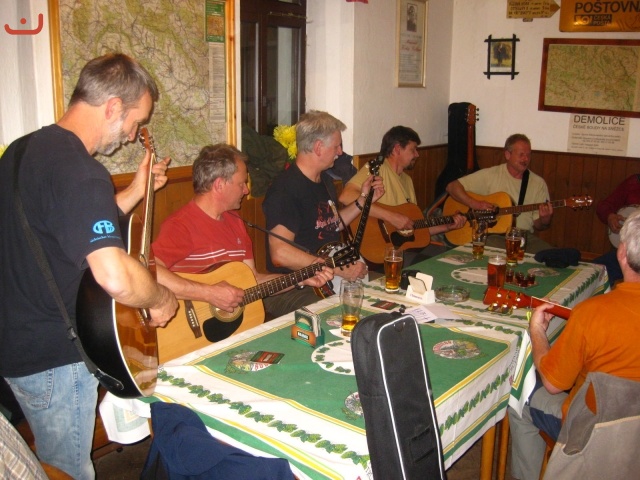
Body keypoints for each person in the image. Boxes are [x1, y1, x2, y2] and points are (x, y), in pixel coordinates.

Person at [0, 53, 178, 480]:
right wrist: (160, 297)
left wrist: (136, 191)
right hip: (54, 359)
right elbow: (113, 274)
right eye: (136, 121)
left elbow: (67, 227)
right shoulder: (82, 171)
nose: (133, 136)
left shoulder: (24, 150)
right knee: (68, 471)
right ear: (113, 106)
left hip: (17, 345)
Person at [508, 209, 640, 480]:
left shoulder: (592, 313)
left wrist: (537, 332)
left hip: (593, 432)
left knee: (521, 397)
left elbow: (553, 383)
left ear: (622, 253)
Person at [152, 143, 333, 320]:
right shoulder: (181, 225)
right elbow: (151, 271)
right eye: (242, 183)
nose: (246, 190)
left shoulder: (235, 221)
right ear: (219, 185)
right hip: (187, 326)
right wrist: (209, 293)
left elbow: (253, 280)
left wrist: (299, 279)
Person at [262, 110, 384, 296]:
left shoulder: (324, 180)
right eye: (337, 146)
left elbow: (331, 224)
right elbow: (280, 253)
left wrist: (363, 200)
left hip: (328, 274)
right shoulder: (285, 190)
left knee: (385, 291)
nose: (340, 152)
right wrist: (336, 268)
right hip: (298, 284)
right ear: (318, 147)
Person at [339, 125, 466, 265]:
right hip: (382, 251)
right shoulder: (377, 168)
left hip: (405, 249)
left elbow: (413, 227)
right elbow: (346, 196)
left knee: (451, 258)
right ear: (397, 149)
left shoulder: (407, 180)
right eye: (413, 149)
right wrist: (391, 217)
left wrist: (446, 227)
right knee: (436, 264)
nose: (417, 154)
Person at [446, 133, 554, 253]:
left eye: (528, 155)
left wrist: (545, 219)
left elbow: (539, 226)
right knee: (490, 250)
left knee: (552, 255)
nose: (525, 159)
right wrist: (475, 204)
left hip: (523, 237)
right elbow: (452, 187)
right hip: (494, 237)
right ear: (507, 155)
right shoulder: (491, 175)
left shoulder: (538, 183)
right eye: (521, 155)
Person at [593, 173, 640, 287]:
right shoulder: (634, 183)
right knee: (594, 271)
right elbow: (604, 206)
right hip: (630, 253)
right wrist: (610, 216)